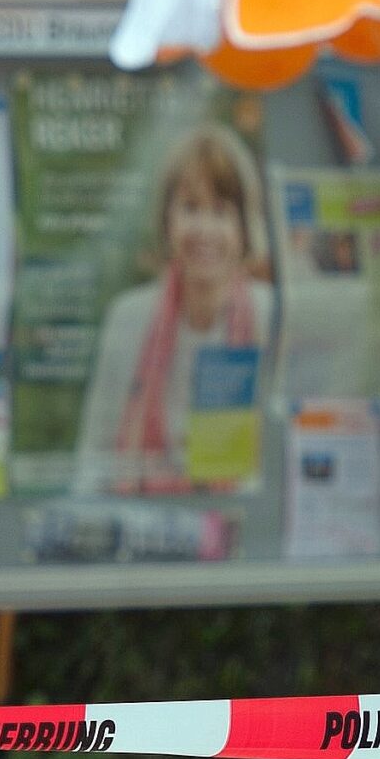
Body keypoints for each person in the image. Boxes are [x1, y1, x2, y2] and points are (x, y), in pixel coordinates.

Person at [72, 120, 276, 496]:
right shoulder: (129, 318)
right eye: (190, 208)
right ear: (167, 220)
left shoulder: (272, 319)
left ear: (244, 226)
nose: (205, 229)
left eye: (221, 211)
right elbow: (93, 460)